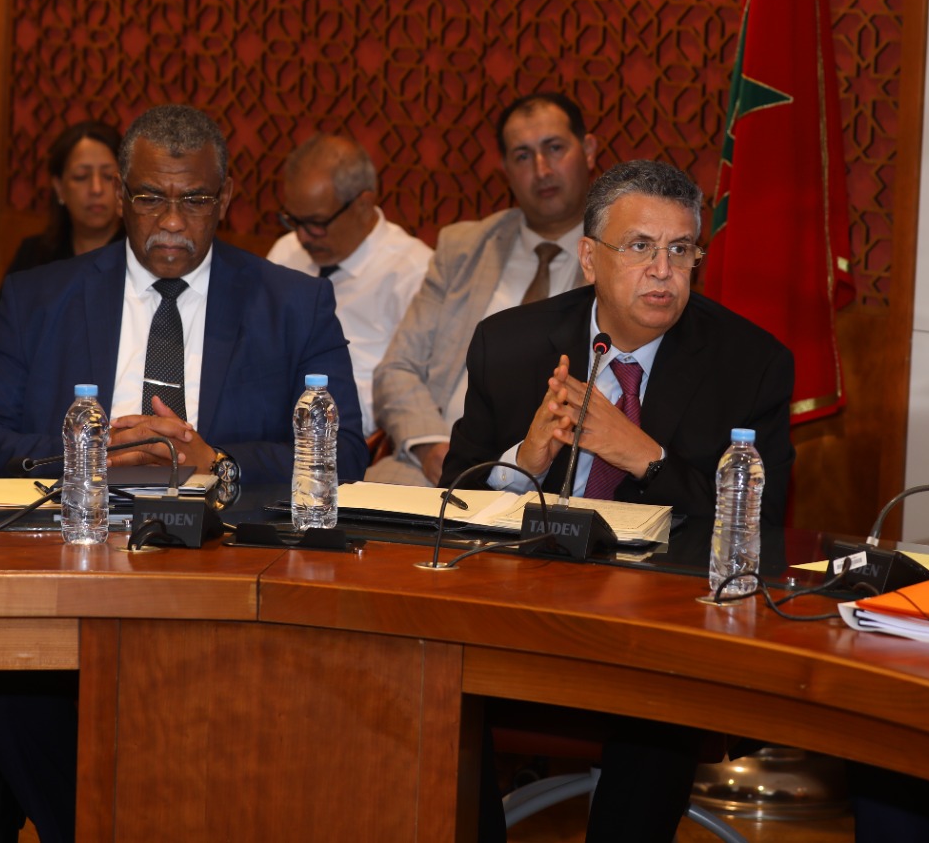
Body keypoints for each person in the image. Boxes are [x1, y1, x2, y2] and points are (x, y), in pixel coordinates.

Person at [444, 160, 792, 843]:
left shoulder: (750, 364)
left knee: (660, 701)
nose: (663, 271)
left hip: (660, 622)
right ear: (589, 258)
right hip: (524, 611)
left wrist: (644, 456)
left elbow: (763, 526)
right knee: (438, 678)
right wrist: (525, 462)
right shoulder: (509, 345)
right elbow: (452, 501)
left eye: (681, 250)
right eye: (640, 247)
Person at [0, 102, 368, 487]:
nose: (172, 222)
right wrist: (94, 455)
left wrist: (218, 463)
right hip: (78, 527)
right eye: (150, 199)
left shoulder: (296, 306)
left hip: (225, 537)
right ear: (120, 196)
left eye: (195, 200)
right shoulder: (37, 299)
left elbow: (345, 454)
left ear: (224, 200)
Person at [371, 91, 597, 486]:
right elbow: (397, 369)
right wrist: (431, 447)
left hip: (556, 474)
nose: (541, 169)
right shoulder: (463, 248)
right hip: (435, 467)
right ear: (506, 169)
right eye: (522, 156)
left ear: (589, 151)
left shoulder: (616, 259)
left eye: (554, 148)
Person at [266, 134, 430, 436]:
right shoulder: (286, 253)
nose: (302, 237)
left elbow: (410, 390)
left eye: (317, 223)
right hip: (269, 414)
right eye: (294, 220)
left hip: (347, 433)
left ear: (364, 204)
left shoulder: (414, 273)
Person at [0, 119, 124, 336]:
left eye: (108, 176)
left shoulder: (138, 259)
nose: (96, 189)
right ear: (59, 187)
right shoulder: (35, 254)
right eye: (81, 177)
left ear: (123, 186)